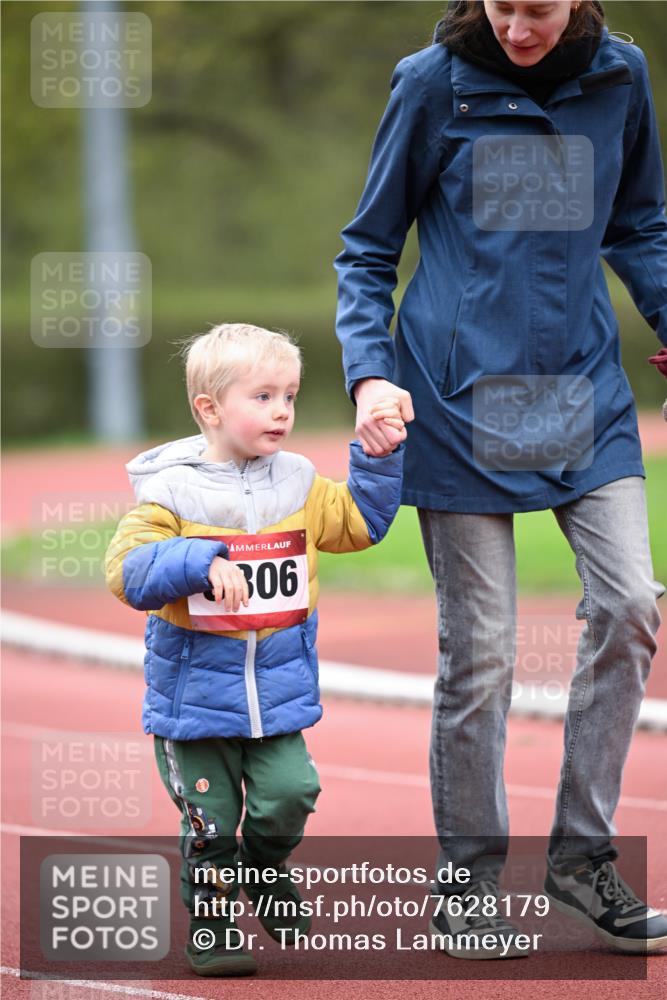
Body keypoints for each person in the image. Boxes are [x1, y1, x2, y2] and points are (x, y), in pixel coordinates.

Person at [334, 0, 667, 957]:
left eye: (541, 8)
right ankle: (467, 884)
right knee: (480, 654)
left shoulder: (620, 76)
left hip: (579, 396)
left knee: (629, 606)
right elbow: (365, 250)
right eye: (504, 6)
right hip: (454, 399)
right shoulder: (430, 85)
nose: (521, 27)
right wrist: (370, 374)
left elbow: (639, 224)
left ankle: (581, 858)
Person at [104, 322, 404, 976]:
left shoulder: (296, 481)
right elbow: (126, 572)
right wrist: (199, 559)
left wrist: (378, 457)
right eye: (263, 396)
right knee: (212, 824)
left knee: (292, 793)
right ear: (209, 408)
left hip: (277, 699)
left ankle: (265, 871)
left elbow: (358, 525)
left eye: (290, 396)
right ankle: (213, 929)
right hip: (195, 707)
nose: (282, 412)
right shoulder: (171, 490)